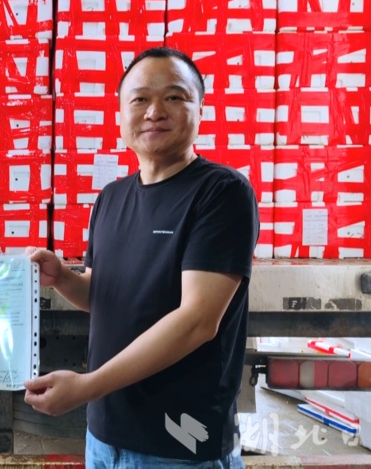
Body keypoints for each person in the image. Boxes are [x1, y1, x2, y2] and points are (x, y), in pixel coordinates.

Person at [24, 47, 259, 468]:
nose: (154, 112)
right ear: (120, 114)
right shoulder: (111, 198)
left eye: (174, 97)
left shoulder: (221, 193)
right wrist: (62, 277)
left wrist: (88, 386)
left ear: (200, 109)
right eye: (140, 99)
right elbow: (104, 297)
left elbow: (198, 321)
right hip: (104, 437)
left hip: (179, 444)